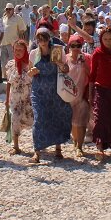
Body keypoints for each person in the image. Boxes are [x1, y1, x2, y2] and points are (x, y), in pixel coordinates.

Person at [28, 28, 72, 163]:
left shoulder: (58, 51)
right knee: (39, 119)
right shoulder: (33, 54)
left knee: (57, 117)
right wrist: (32, 72)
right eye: (39, 39)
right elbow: (29, 72)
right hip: (39, 91)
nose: (42, 42)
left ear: (49, 38)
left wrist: (59, 63)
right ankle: (37, 151)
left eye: (45, 38)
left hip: (55, 90)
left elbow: (66, 69)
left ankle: (58, 148)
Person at [89, 27, 111, 159]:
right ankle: (100, 147)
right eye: (105, 39)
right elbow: (92, 75)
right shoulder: (97, 53)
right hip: (101, 89)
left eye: (110, 39)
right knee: (100, 118)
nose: (108, 42)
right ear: (101, 40)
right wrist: (90, 94)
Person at [64, 33, 92, 157]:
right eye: (73, 45)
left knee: (81, 122)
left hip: (81, 94)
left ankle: (79, 147)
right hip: (68, 95)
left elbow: (90, 74)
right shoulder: (64, 58)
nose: (75, 48)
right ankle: (75, 142)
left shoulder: (86, 58)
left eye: (78, 45)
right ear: (69, 46)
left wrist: (84, 63)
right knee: (72, 123)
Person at [4, 39, 34, 155]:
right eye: (16, 49)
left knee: (33, 121)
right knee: (15, 120)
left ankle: (38, 144)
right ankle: (16, 146)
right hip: (15, 98)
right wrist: (6, 99)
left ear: (25, 51)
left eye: (20, 50)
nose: (18, 52)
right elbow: (8, 83)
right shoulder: (11, 65)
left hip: (28, 97)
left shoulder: (30, 64)